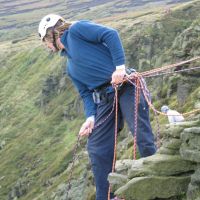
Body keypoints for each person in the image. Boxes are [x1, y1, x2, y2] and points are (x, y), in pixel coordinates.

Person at [38, 14, 156, 200]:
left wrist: (119, 68)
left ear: (51, 34)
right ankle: (107, 196)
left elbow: (110, 34)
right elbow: (86, 94)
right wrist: (90, 118)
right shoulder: (70, 67)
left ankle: (157, 179)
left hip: (127, 85)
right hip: (105, 99)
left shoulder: (76, 30)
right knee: (96, 147)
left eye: (45, 41)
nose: (46, 45)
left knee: (140, 133)